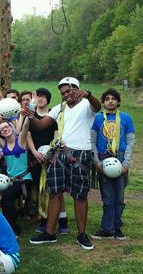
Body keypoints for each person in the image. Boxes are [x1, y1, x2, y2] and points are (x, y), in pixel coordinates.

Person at [26, 77, 101, 250]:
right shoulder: (60, 108)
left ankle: (82, 234)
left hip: (81, 153)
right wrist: (30, 115)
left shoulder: (86, 105)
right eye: (63, 93)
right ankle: (50, 233)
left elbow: (97, 106)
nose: (66, 95)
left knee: (80, 195)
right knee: (55, 192)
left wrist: (88, 95)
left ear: (77, 89)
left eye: (69, 91)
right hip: (60, 153)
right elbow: (41, 125)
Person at [90, 88, 135, 240]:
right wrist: (96, 161)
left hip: (120, 159)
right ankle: (107, 229)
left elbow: (130, 142)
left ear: (118, 101)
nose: (110, 101)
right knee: (108, 196)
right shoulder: (97, 119)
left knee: (119, 197)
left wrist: (126, 163)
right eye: (107, 98)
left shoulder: (126, 118)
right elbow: (93, 141)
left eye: (113, 98)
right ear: (102, 102)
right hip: (104, 159)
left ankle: (117, 227)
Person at [27, 88, 69, 234]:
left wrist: (51, 153)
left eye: (43, 96)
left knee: (56, 191)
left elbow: (57, 135)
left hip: (52, 156)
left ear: (48, 99)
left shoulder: (53, 114)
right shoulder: (31, 116)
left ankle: (63, 221)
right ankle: (44, 220)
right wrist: (34, 152)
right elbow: (28, 135)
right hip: (36, 157)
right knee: (40, 189)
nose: (40, 99)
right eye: (37, 96)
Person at [0, 113, 31, 236]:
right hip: (10, 180)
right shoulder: (2, 143)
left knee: (6, 199)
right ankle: (12, 227)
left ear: (12, 128)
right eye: (2, 129)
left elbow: (26, 126)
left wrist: (28, 115)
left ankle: (14, 229)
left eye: (7, 127)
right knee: (4, 201)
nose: (5, 129)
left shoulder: (21, 140)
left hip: (24, 179)